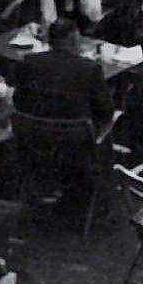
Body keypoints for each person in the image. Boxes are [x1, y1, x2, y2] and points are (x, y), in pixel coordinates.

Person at [12, 17, 114, 216]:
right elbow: (106, 111)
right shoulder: (89, 69)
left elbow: (19, 101)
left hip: (35, 142)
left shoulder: (29, 63)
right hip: (77, 147)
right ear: (73, 39)